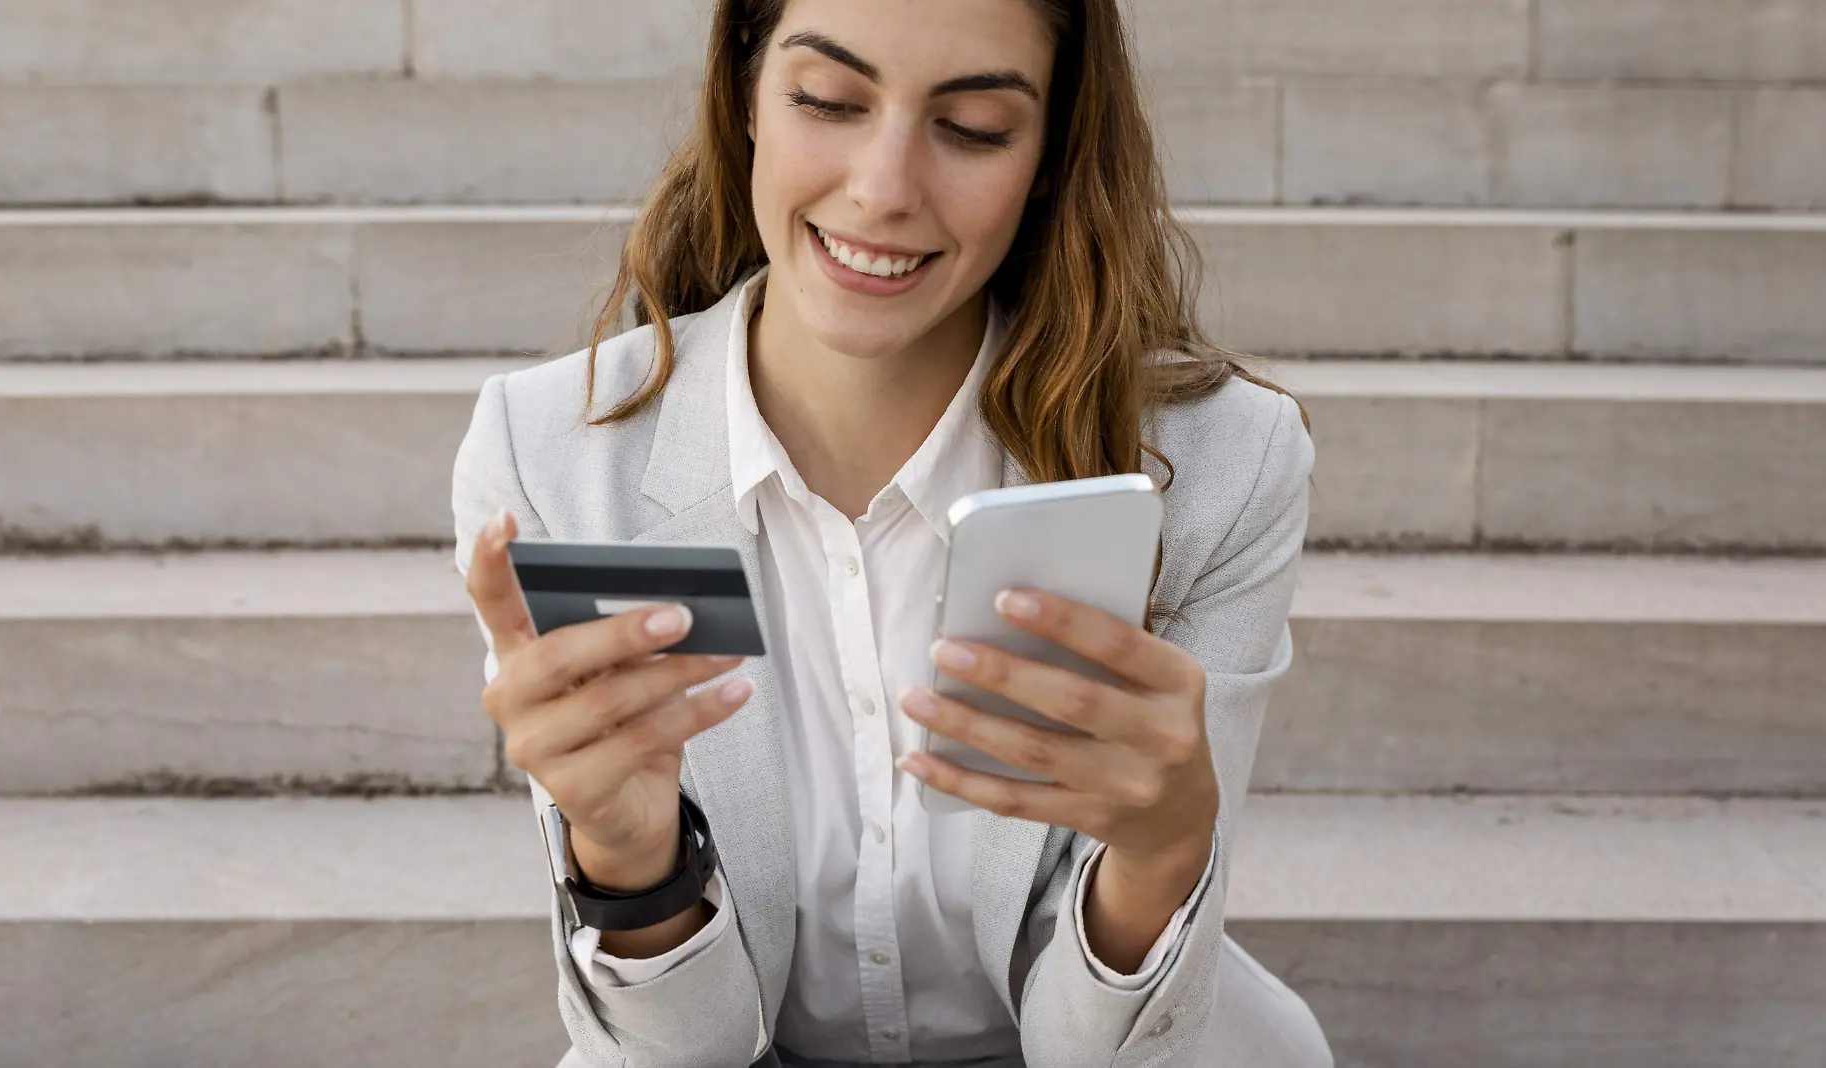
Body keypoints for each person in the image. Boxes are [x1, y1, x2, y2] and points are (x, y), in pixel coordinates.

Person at [452, 1, 1330, 1065]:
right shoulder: (556, 455)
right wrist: (630, 861)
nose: (882, 189)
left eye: (972, 128)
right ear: (744, 98)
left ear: (1051, 153)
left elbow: (1096, 1050)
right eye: (827, 100)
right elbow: (688, 1047)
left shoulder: (1222, 464)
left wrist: (1163, 854)